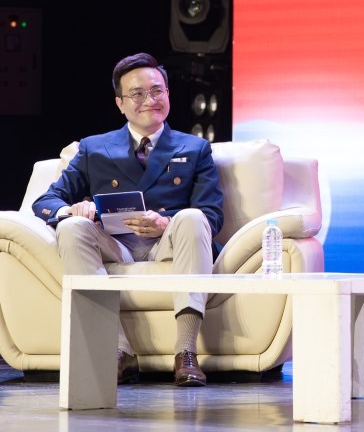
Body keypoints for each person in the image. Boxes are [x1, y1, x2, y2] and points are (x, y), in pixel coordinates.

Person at [32, 53, 224, 387]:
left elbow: (212, 216)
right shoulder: (94, 148)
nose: (150, 100)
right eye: (137, 93)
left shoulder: (195, 148)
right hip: (115, 245)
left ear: (168, 94)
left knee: (193, 218)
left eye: (157, 90)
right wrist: (73, 209)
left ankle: (186, 352)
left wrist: (165, 223)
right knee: (71, 227)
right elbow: (46, 201)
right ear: (120, 103)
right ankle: (119, 351)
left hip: (167, 245)